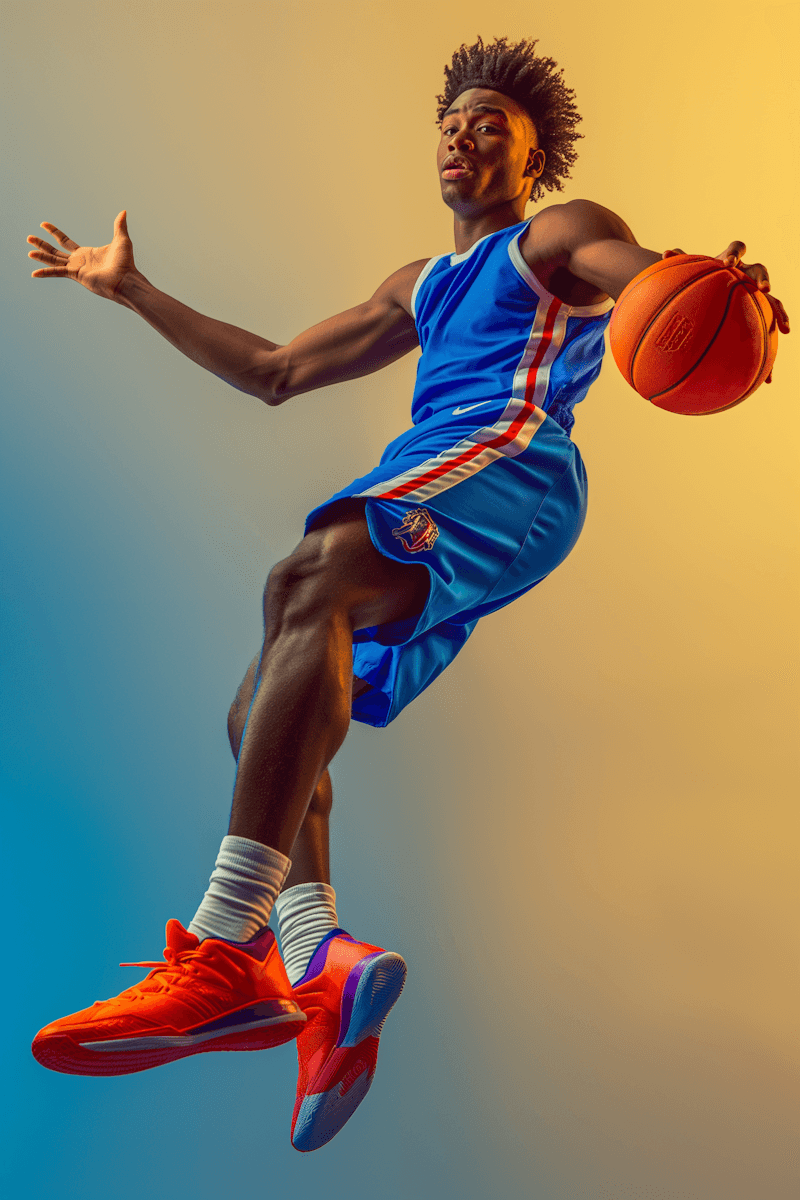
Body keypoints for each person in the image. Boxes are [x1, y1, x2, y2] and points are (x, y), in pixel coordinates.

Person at [26, 35, 789, 1151]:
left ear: (531, 162)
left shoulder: (556, 235)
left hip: (507, 457)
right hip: (446, 471)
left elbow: (646, 282)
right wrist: (133, 290)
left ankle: (224, 947)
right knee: (262, 716)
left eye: (491, 124)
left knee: (305, 579)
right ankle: (318, 967)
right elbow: (276, 371)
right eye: (451, 120)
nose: (461, 133)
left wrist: (711, 290)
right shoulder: (420, 286)